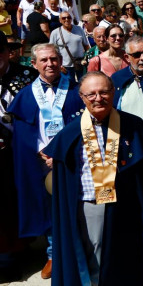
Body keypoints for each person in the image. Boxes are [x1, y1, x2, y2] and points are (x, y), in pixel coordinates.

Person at [44, 71, 143, 285]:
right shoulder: (70, 133)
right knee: (97, 258)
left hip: (130, 206)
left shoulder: (133, 125)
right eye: (92, 94)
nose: (98, 98)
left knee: (131, 256)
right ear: (82, 97)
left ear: (113, 93)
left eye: (104, 92)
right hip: (91, 205)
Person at [8, 44, 84, 279]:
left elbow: (84, 127)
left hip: (72, 158)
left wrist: (64, 152)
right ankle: (54, 254)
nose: (50, 63)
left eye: (54, 58)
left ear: (60, 60)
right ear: (34, 64)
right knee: (48, 206)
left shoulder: (76, 89)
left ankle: (79, 249)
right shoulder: (25, 94)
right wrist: (42, 152)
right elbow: (22, 132)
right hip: (40, 160)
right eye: (44, 60)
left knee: (77, 204)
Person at [0, 34, 35, 282]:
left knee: (17, 202)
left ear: (7, 52)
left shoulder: (27, 78)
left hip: (19, 152)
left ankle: (14, 254)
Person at [49, 11, 89, 82]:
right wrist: (59, 65)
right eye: (64, 18)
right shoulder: (55, 33)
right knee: (68, 86)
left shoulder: (79, 29)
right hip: (65, 66)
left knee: (83, 84)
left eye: (69, 17)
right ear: (60, 20)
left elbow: (86, 46)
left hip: (81, 63)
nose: (67, 19)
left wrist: (87, 59)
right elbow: (52, 51)